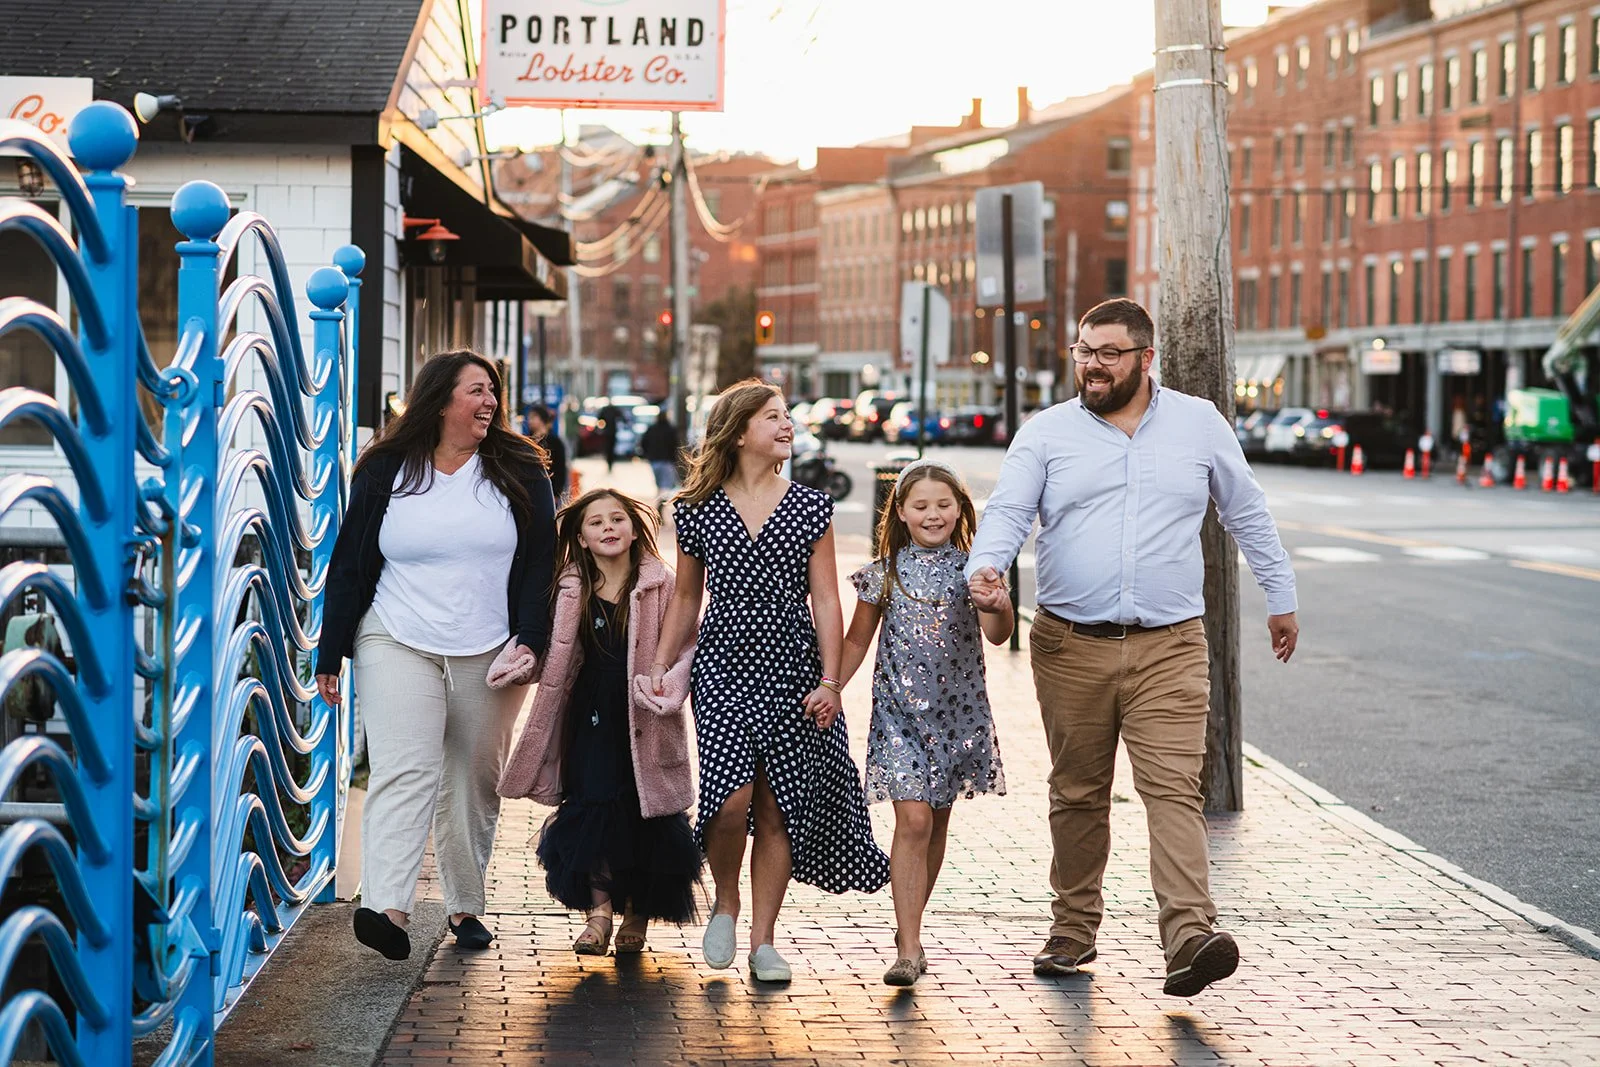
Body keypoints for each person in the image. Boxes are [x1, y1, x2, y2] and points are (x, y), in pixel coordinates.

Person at [966, 298, 1299, 998]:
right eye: (1084, 350)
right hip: (1069, 643)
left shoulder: (1198, 424)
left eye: (1109, 352)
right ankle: (1073, 928)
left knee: (1175, 789)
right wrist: (987, 571)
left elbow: (1246, 509)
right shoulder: (1048, 432)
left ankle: (1189, 936)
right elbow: (1007, 510)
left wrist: (1281, 594)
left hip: (1170, 645)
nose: (1092, 363)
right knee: (1079, 792)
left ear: (1147, 358)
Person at [316, 350, 556, 961]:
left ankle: (464, 905)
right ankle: (387, 908)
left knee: (473, 775)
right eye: (477, 391)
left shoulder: (518, 465)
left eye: (493, 392)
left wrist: (531, 638)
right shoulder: (387, 467)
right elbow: (350, 562)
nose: (490, 403)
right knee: (405, 766)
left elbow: (539, 565)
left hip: (491, 646)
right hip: (394, 633)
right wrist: (331, 649)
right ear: (441, 398)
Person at [652, 379, 888, 983]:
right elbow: (685, 597)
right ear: (737, 431)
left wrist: (832, 681)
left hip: (792, 670)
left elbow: (828, 601)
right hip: (724, 667)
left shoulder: (811, 506)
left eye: (787, 417)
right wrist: (657, 663)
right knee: (729, 803)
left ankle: (763, 939)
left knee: (778, 805)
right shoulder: (694, 508)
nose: (787, 426)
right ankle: (725, 903)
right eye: (773, 418)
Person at [497, 489, 702, 955]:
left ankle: (638, 915)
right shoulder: (570, 587)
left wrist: (669, 685)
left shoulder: (661, 584)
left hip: (646, 712)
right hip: (588, 711)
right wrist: (521, 662)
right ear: (582, 538)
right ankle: (599, 914)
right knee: (593, 803)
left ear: (634, 529)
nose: (608, 528)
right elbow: (551, 651)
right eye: (595, 522)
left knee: (645, 809)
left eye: (617, 519)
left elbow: (689, 643)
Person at [837, 459, 1012, 987]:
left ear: (960, 509)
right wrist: (829, 688)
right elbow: (855, 641)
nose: (933, 514)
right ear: (902, 512)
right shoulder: (883, 573)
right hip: (899, 719)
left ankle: (908, 925)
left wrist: (1000, 604)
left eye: (944, 504)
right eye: (921, 505)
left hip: (958, 719)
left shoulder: (975, 570)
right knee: (912, 822)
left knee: (935, 823)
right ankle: (909, 945)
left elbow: (999, 634)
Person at [526, 404, 569, 503]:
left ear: (542, 419)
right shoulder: (527, 440)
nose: (530, 420)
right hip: (530, 493)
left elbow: (560, 469)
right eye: (529, 417)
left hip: (550, 492)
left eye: (533, 417)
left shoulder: (555, 442)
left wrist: (556, 493)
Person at [639, 413, 682, 511]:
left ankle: (660, 502)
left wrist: (648, 454)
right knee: (666, 486)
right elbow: (676, 445)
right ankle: (661, 504)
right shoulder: (671, 429)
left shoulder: (651, 429)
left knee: (659, 485)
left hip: (654, 461)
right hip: (667, 461)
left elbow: (643, 443)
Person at [597, 401, 627, 473]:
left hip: (608, 432)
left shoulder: (606, 410)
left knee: (608, 448)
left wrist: (601, 427)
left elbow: (599, 419)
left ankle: (609, 463)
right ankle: (610, 463)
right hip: (611, 431)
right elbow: (622, 417)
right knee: (611, 448)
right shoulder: (613, 409)